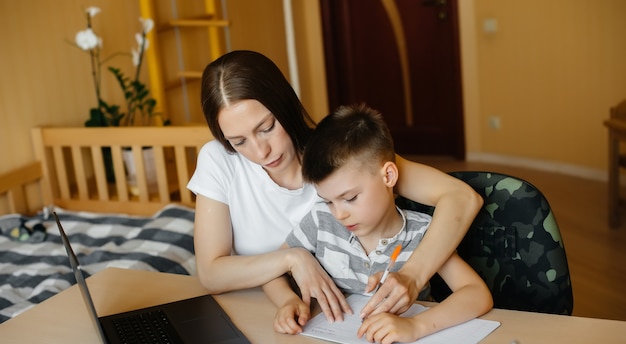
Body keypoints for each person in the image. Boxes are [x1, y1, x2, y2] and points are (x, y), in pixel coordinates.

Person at [187, 50, 483, 323]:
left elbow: (461, 197)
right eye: (239, 142)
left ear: (285, 106)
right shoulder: (219, 160)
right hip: (269, 315)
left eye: (267, 128)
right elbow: (211, 274)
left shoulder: (336, 156)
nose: (260, 151)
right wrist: (292, 258)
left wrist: (414, 276)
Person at [262, 104, 493, 344]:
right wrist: (287, 301)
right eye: (328, 201)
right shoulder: (321, 221)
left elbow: (477, 294)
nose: (339, 214)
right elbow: (272, 271)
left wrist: (415, 326)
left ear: (389, 176)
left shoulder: (423, 234)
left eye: (350, 198)